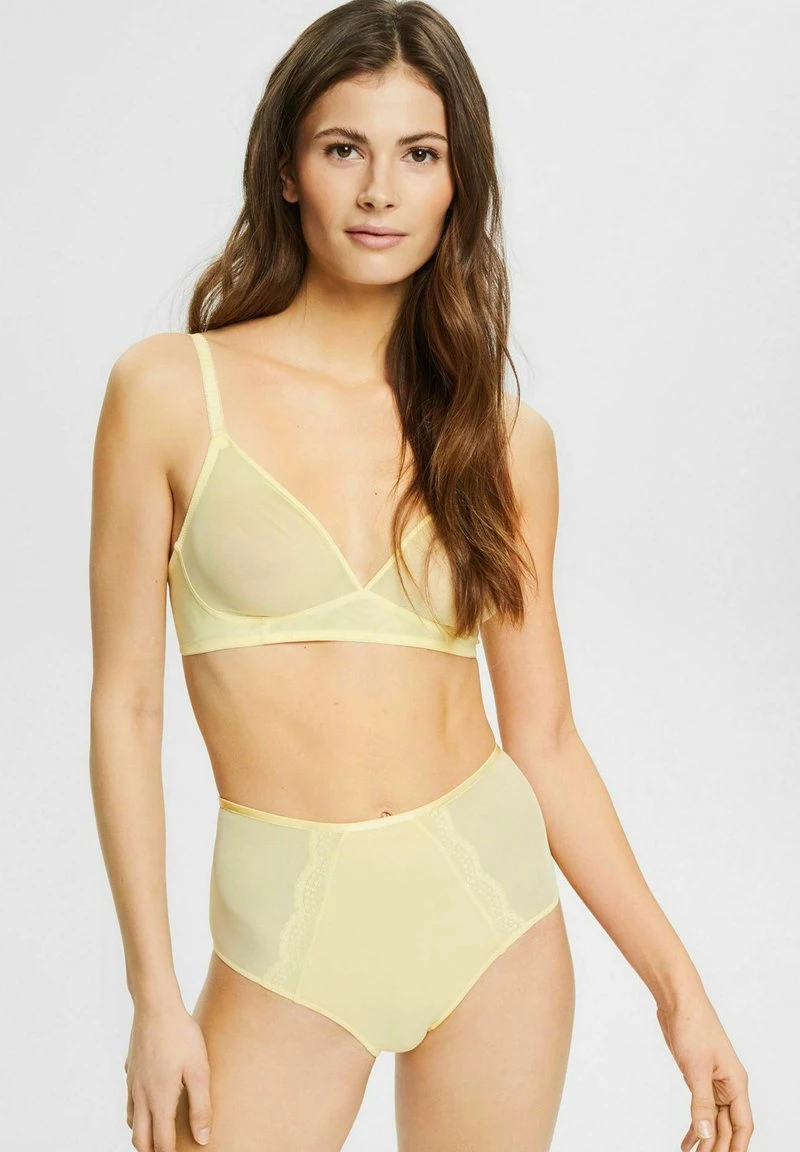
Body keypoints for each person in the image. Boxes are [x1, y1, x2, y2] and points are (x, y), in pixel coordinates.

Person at [88, 2, 754, 1150]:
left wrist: (677, 992)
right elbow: (125, 707)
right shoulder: (167, 394)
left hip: (491, 920)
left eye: (419, 155)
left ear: (456, 183)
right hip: (284, 942)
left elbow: (544, 738)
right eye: (343, 148)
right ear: (288, 169)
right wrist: (153, 995)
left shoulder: (501, 439)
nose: (378, 191)